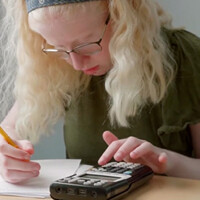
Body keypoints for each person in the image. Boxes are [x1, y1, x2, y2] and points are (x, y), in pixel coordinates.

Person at [0, 0, 200, 184]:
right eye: (57, 47)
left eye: (86, 44)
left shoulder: (185, 57)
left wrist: (168, 163)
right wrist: (5, 156)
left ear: (122, 18)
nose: (76, 64)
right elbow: (7, 131)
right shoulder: (57, 67)